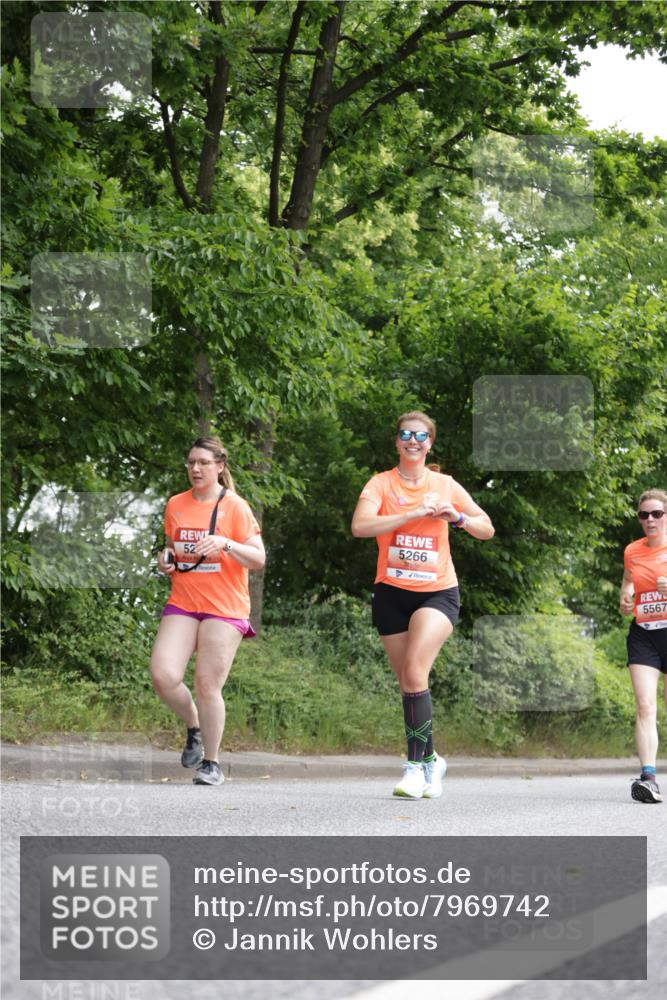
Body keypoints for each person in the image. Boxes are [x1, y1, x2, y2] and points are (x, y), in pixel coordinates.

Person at [351, 411, 494, 799]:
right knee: (409, 683)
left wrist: (458, 516)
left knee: (415, 671)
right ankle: (432, 759)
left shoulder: (445, 485)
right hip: (391, 595)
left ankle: (415, 768)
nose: (412, 441)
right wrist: (411, 513)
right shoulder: (380, 484)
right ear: (396, 441)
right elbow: (360, 526)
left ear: (430, 442)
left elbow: (487, 528)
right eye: (405, 434)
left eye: (420, 435)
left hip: (437, 592)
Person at [151, 435, 265, 786]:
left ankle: (212, 764)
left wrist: (226, 543)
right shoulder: (176, 504)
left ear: (220, 466)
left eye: (202, 462)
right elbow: (173, 547)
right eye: (190, 463)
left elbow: (259, 559)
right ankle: (194, 726)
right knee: (163, 675)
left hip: (225, 607)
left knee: (206, 683)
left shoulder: (235, 507)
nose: (195, 468)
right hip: (184, 602)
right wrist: (166, 560)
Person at [619, 488, 667, 804]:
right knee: (645, 705)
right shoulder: (632, 551)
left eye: (656, 514)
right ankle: (648, 777)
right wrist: (625, 595)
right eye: (644, 515)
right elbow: (629, 579)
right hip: (644, 634)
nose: (649, 520)